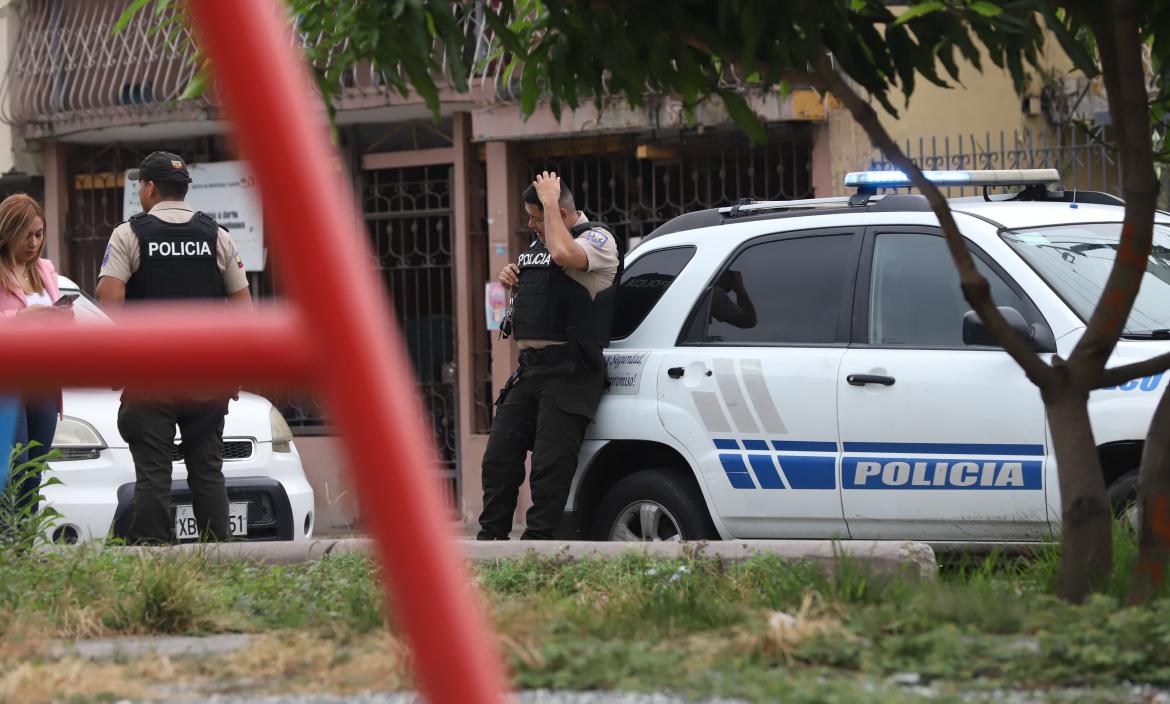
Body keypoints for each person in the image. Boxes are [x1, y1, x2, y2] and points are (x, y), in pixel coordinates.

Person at [95, 151, 252, 544]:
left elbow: (108, 299)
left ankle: (153, 562)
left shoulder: (129, 234)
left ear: (148, 188)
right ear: (183, 190)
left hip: (151, 379)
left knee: (153, 476)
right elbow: (244, 311)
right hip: (207, 378)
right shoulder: (217, 235)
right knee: (208, 473)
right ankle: (220, 561)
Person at [478, 171, 620, 540]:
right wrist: (514, 274)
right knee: (498, 461)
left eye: (537, 217)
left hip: (570, 373)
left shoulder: (597, 239)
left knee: (549, 470)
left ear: (562, 212)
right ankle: (489, 546)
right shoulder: (541, 245)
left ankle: (538, 552)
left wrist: (550, 203)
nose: (531, 224)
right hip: (531, 373)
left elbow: (564, 254)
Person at [0, 194, 72, 508]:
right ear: (6, 232)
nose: (33, 242)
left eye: (39, 233)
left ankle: (22, 554)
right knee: (12, 473)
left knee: (33, 473)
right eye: (25, 234)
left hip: (43, 380)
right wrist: (20, 318)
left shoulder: (45, 269)